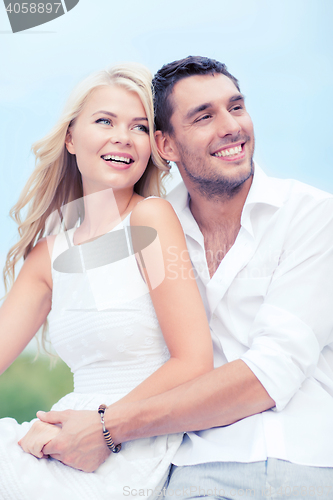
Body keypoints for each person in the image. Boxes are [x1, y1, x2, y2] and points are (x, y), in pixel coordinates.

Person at [36, 56, 333, 498]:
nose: (231, 127)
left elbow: (271, 373)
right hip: (189, 471)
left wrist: (104, 426)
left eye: (236, 107)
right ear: (167, 146)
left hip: (301, 463)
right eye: (204, 117)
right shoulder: (148, 228)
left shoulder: (312, 215)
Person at [0, 62, 215, 500]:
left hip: (131, 442)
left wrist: (101, 427)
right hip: (66, 433)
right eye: (105, 121)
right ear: (71, 138)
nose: (123, 136)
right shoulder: (47, 258)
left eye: (139, 127)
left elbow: (194, 361)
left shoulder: (150, 218)